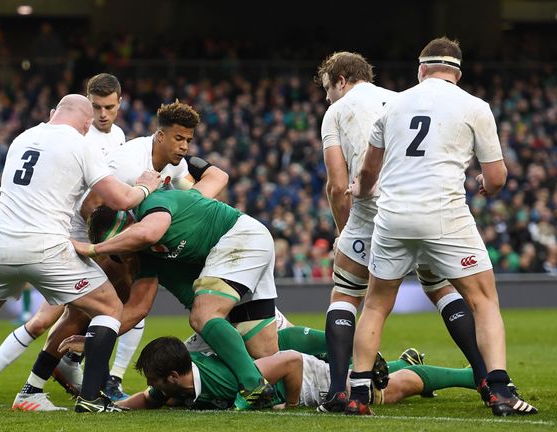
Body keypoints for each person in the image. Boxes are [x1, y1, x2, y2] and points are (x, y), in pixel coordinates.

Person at [0, 94, 161, 415]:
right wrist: (145, 186)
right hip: (47, 246)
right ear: (86, 124)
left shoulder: (22, 138)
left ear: (54, 113)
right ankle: (92, 397)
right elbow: (122, 199)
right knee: (110, 307)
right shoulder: (82, 144)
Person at [347, 37, 537, 416]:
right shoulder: (475, 106)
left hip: (393, 215)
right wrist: (486, 185)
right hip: (443, 214)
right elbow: (496, 177)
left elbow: (369, 171)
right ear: (458, 73)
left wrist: (360, 190)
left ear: (421, 70)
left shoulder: (393, 105)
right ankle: (499, 390)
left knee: (377, 303)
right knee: (483, 300)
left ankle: (358, 393)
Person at [3, 102, 230, 412]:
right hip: (90, 235)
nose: (184, 146)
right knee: (85, 313)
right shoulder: (129, 162)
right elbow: (91, 207)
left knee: (121, 306)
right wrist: (106, 250)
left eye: (189, 140)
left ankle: (71, 364)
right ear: (160, 135)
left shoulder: (175, 167)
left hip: (124, 243)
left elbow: (190, 199)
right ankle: (38, 386)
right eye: (179, 138)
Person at [316, 52, 488, 412]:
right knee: (440, 288)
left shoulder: (336, 111)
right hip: (416, 206)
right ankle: (485, 374)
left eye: (327, 89)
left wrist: (343, 231)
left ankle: (339, 391)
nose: (326, 97)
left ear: (341, 81)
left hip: (370, 212)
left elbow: (336, 184)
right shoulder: (400, 99)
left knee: (347, 295)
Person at [0, 73, 138, 403]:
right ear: (86, 107)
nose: (103, 114)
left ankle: (86, 372)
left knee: (116, 299)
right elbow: (91, 199)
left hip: (92, 234)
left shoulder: (119, 137)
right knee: (50, 318)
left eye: (110, 107)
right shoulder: (76, 137)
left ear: (120, 104)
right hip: (67, 233)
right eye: (97, 107)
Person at [73, 187, 279, 410]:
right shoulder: (146, 255)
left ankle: (253, 386)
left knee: (202, 316)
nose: (122, 255)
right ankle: (287, 389)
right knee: (264, 356)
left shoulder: (152, 205)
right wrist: (98, 342)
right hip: (239, 263)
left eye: (119, 246)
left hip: (241, 238)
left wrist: (93, 249)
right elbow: (138, 308)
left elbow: (149, 232)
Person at [119, 336, 478, 411]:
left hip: (307, 378)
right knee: (366, 374)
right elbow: (147, 400)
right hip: (281, 355)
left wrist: (289, 406)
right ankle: (405, 362)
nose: (151, 387)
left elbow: (289, 360)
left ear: (172, 375)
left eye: (153, 379)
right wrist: (115, 407)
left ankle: (470, 376)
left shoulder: (226, 380)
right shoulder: (176, 385)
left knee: (387, 392)